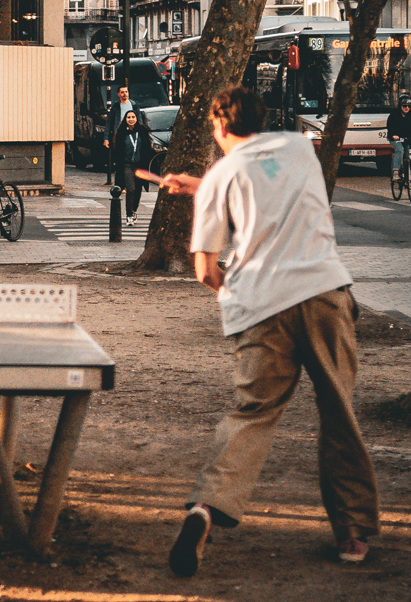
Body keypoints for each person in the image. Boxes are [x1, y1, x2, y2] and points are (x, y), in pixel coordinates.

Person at [155, 83, 379, 573]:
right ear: (263, 117)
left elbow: (205, 269)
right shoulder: (300, 147)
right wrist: (203, 183)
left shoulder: (219, 179)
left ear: (217, 125)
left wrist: (234, 287)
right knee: (338, 413)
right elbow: (267, 186)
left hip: (260, 307)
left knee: (252, 415)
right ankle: (353, 533)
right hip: (322, 292)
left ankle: (205, 510)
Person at [112, 107, 154, 223]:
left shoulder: (142, 131)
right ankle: (129, 214)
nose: (131, 119)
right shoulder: (121, 133)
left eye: (133, 117)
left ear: (137, 118)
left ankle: (134, 209)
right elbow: (117, 149)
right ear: (125, 119)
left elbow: (147, 146)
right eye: (128, 117)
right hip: (127, 165)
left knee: (138, 190)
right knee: (131, 189)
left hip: (140, 165)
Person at [104, 84, 132, 187]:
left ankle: (128, 184)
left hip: (131, 136)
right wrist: (106, 138)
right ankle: (120, 185)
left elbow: (139, 121)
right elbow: (109, 123)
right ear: (118, 94)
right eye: (122, 92)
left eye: (126, 92)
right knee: (120, 162)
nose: (125, 94)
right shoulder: (116, 107)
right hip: (119, 136)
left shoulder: (133, 105)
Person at [386, 97, 411, 184]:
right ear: (400, 106)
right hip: (396, 138)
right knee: (400, 150)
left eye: (409, 106)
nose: (406, 108)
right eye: (404, 106)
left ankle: (410, 175)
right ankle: (395, 172)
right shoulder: (394, 114)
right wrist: (393, 135)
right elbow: (390, 126)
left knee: (410, 154)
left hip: (408, 139)